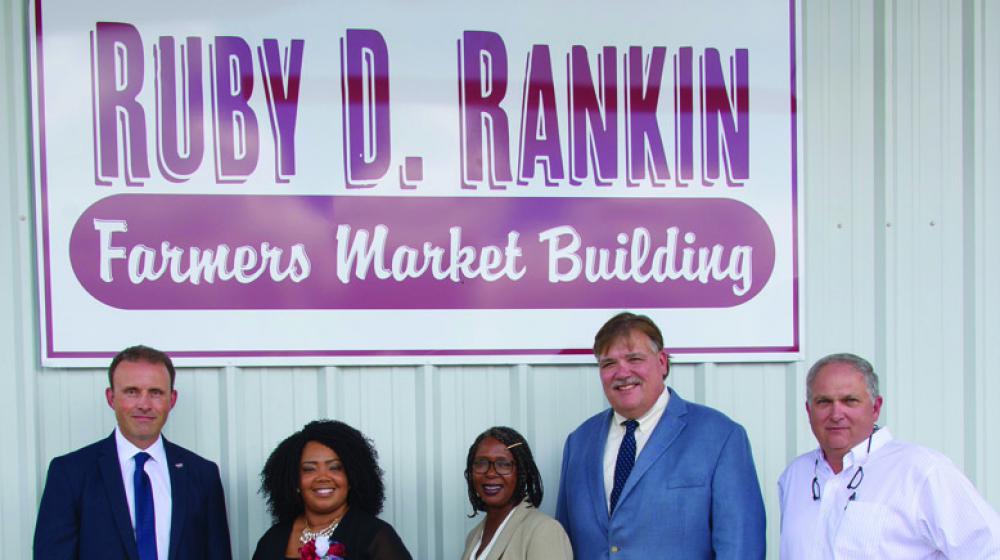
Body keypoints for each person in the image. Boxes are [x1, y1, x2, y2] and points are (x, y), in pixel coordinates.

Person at [555, 312, 766, 559]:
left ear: (662, 362)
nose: (622, 373)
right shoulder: (579, 443)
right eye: (609, 363)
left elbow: (741, 549)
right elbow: (563, 546)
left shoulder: (721, 436)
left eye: (634, 358)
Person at [778, 352, 1000, 558]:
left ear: (875, 408)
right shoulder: (795, 476)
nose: (836, 414)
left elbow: (989, 550)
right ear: (809, 410)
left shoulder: (922, 471)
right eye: (824, 402)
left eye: (849, 401)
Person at [34, 345, 232, 559]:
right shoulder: (70, 473)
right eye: (132, 392)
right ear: (111, 398)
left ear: (172, 400)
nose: (144, 404)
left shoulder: (202, 475)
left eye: (155, 393)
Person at [252, 420, 412, 560]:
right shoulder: (272, 539)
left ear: (352, 478)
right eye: (309, 469)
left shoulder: (375, 535)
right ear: (294, 481)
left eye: (335, 468)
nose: (323, 477)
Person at [461, 426, 572, 560]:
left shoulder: (543, 531)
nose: (490, 473)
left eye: (503, 464)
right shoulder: (473, 537)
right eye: (481, 463)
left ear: (522, 473)